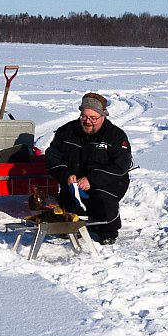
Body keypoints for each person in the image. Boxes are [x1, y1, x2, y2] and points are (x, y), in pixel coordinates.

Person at [46, 92, 132, 244]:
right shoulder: (66, 131)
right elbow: (52, 155)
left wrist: (91, 180)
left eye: (93, 118)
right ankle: (75, 225)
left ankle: (108, 231)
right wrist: (65, 174)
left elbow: (120, 165)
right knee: (71, 207)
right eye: (84, 117)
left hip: (108, 183)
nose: (87, 121)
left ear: (103, 116)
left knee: (101, 198)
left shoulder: (116, 136)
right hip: (74, 183)